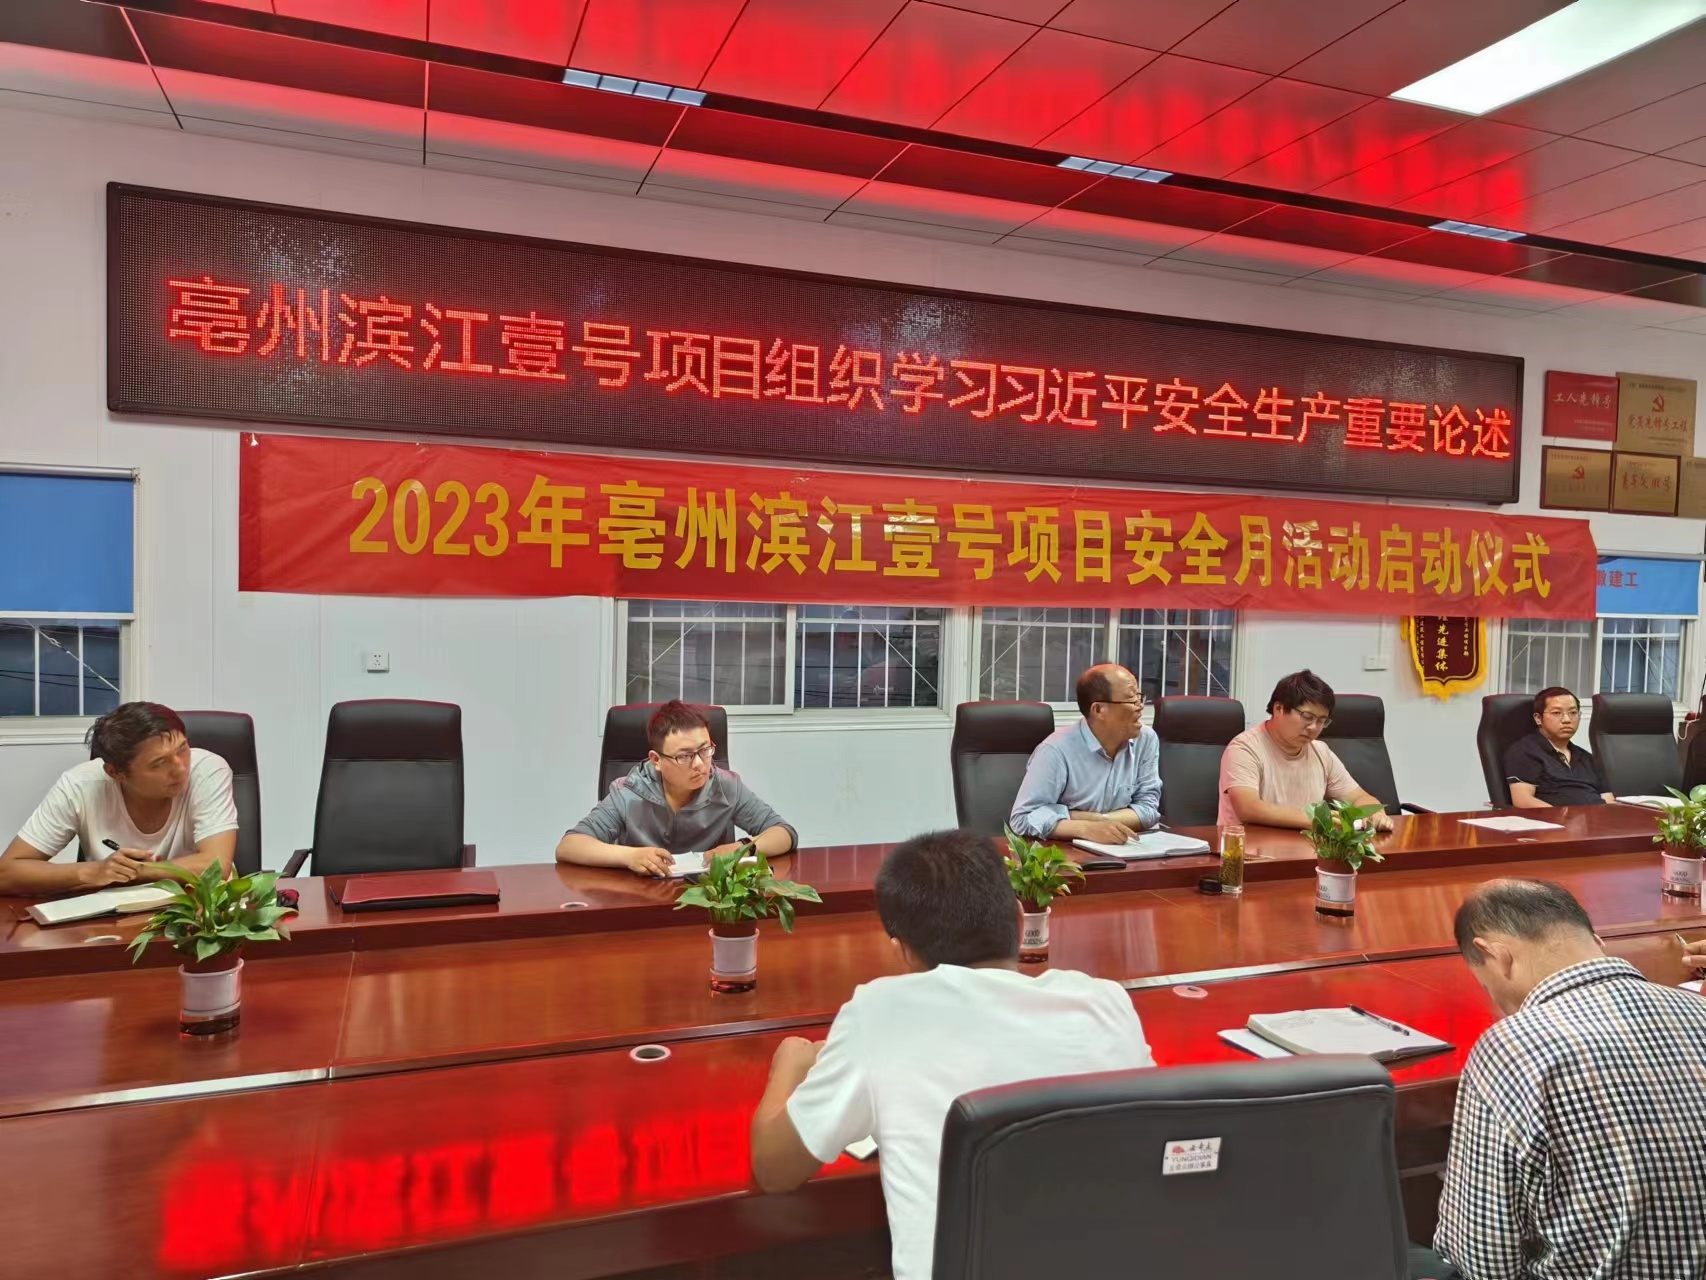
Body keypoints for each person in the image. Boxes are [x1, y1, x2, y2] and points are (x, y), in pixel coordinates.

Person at [749, 828, 1153, 1280]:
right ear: (1021, 921)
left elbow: (774, 1169)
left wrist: (790, 1066)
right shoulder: (1106, 1003)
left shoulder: (880, 1013)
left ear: (902, 952)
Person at [1417, 878, 1706, 1280]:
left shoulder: (1512, 1047)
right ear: (1596, 942)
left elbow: (1482, 1260)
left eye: (1485, 985)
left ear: (1496, 955)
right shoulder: (1698, 1011)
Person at [0, 702, 238, 895]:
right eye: (159, 763)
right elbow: (6, 873)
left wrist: (137, 870)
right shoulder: (80, 785)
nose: (180, 768)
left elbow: (215, 866)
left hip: (200, 909)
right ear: (116, 772)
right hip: (113, 915)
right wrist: (95, 871)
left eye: (182, 749)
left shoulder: (207, 770)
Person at [557, 700, 796, 877]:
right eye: (685, 756)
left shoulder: (726, 786)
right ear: (656, 760)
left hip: (709, 901)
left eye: (705, 750)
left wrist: (741, 848)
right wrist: (629, 856)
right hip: (641, 900)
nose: (700, 764)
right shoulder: (628, 791)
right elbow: (569, 846)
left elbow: (784, 833)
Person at [1217, 669, 1393, 832]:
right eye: (1307, 717)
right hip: (1247, 848)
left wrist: (1374, 812)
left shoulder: (1321, 752)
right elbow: (1248, 808)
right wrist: (1317, 820)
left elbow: (1359, 797)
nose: (1313, 727)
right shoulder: (1244, 748)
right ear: (1279, 709)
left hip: (1307, 847)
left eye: (1321, 721)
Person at [1009, 664, 1161, 844]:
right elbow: (1022, 818)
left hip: (1127, 847)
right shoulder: (1056, 750)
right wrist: (1085, 828)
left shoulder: (1146, 740)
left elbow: (1149, 809)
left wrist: (1098, 820)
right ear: (1098, 710)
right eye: (1131, 700)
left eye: (1140, 698)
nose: (1140, 707)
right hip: (1069, 853)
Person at [1504, 687, 1613, 808]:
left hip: (1598, 817)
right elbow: (1523, 800)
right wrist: (1562, 816)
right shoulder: (1525, 752)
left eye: (1573, 713)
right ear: (1538, 718)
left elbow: (1608, 799)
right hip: (1557, 818)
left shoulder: (1587, 758)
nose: (1567, 720)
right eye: (1556, 713)